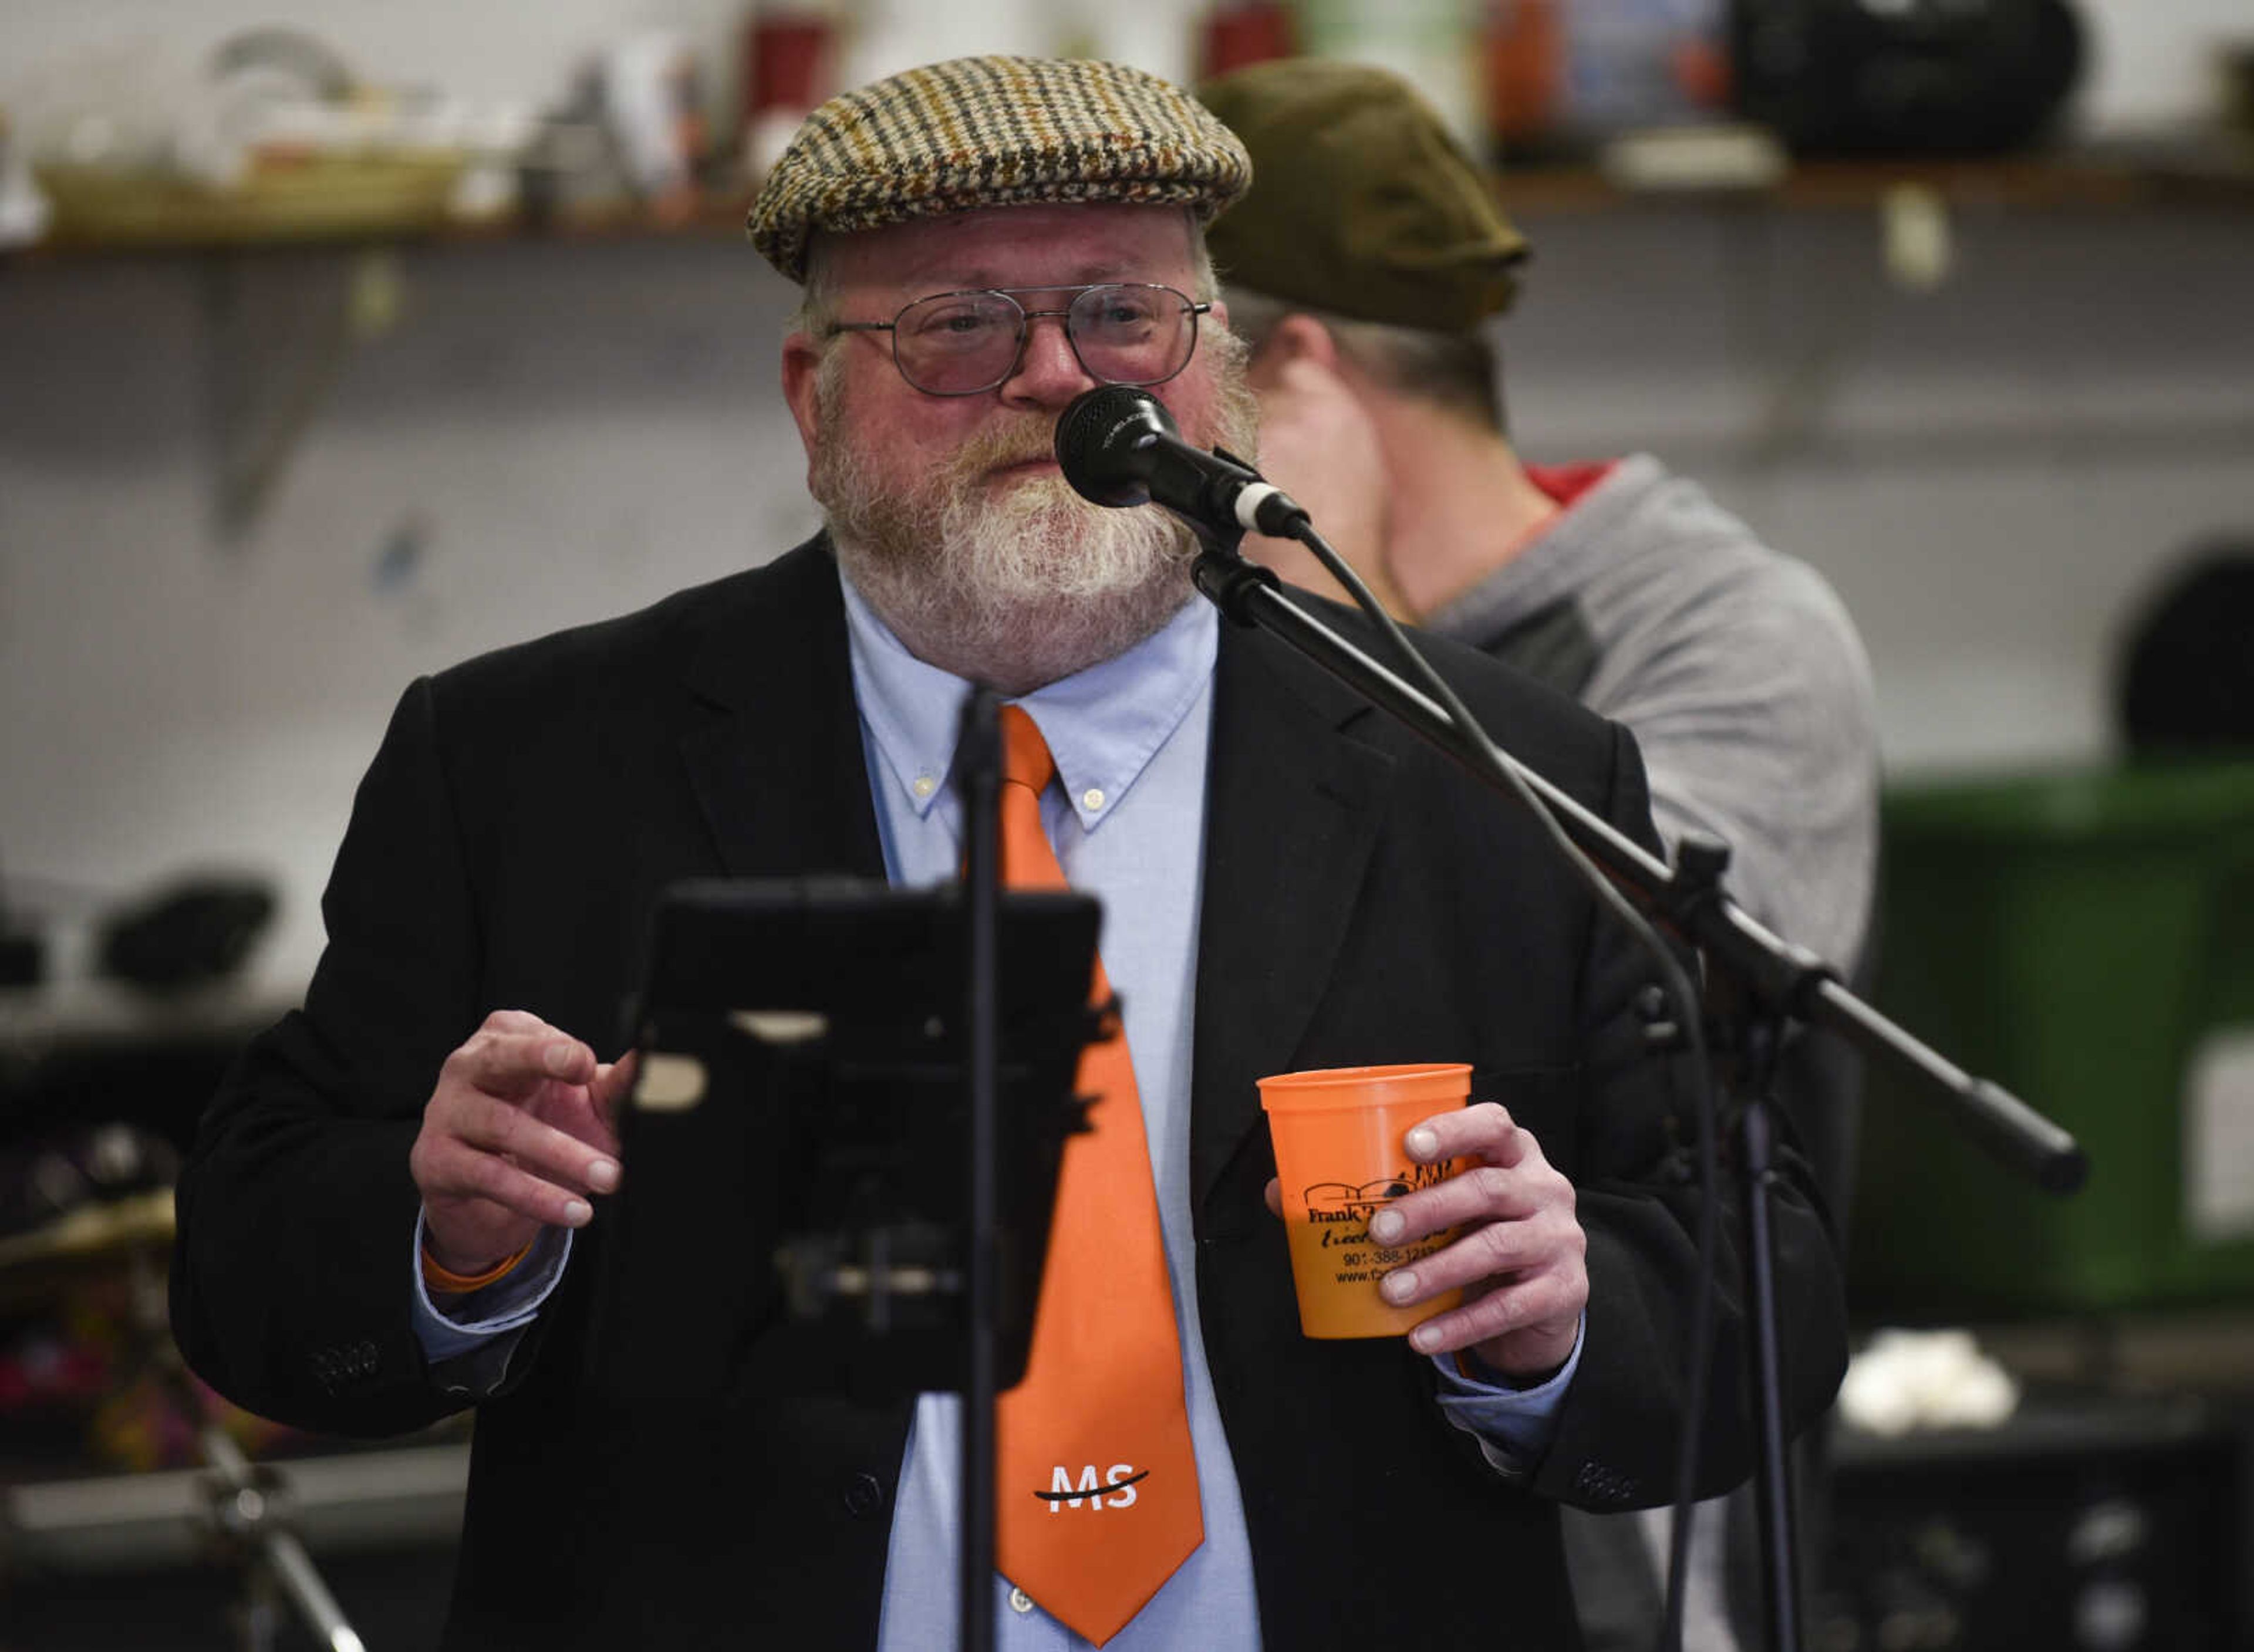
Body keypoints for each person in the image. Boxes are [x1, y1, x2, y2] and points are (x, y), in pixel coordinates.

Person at [170, 55, 1848, 1650]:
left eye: (1123, 313)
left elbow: (1745, 1302)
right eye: (962, 326)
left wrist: (1560, 1326)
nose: (1060, 377)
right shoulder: (536, 768)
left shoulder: (1490, 779)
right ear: (810, 396)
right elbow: (250, 1280)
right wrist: (452, 1237)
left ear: (1229, 376)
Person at [1196, 58, 1882, 1652]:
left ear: (1288, 365)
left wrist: (1322, 605)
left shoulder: (1723, 638)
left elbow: (1632, 992)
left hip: (1621, 1561)